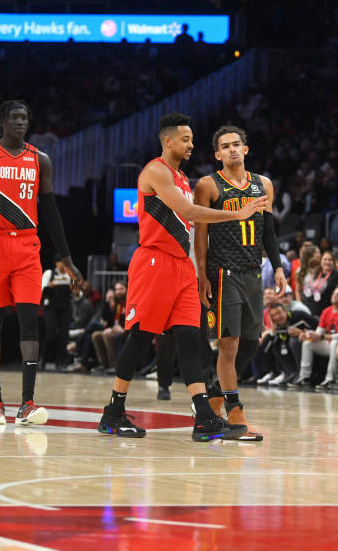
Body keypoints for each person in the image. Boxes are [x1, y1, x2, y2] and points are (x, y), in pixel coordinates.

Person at [96, 112, 266, 441]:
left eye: (192, 139)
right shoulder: (155, 171)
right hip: (154, 263)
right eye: (186, 139)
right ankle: (113, 413)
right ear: (169, 141)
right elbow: (187, 213)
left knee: (191, 339)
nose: (191, 144)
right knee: (142, 336)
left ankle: (204, 418)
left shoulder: (183, 178)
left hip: (182, 266)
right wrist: (236, 212)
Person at [0, 99, 84, 427]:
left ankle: (27, 404)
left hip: (27, 246)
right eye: (14, 117)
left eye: (25, 117)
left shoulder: (40, 160)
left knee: (29, 322)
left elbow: (50, 210)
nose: (21, 122)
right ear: (2, 121)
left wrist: (66, 258)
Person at [194, 124, 287, 441]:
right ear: (217, 154)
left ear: (246, 150)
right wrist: (202, 274)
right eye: (225, 146)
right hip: (223, 273)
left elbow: (269, 231)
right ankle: (235, 415)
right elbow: (200, 234)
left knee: (251, 342)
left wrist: (277, 267)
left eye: (237, 144)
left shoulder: (264, 185)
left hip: (253, 273)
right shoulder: (208, 185)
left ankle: (215, 397)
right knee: (228, 343)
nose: (232, 149)